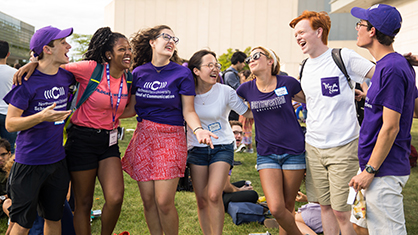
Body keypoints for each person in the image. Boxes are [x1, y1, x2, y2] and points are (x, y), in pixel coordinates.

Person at [15, 27, 133, 235]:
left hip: (109, 141)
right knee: (84, 202)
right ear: (108, 54)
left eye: (129, 49)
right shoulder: (90, 68)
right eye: (122, 49)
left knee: (115, 198)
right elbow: (54, 69)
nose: (128, 53)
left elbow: (125, 108)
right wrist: (34, 62)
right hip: (82, 140)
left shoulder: (128, 78)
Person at [121, 25, 216, 235]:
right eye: (166, 36)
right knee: (148, 200)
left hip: (171, 138)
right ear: (152, 42)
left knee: (164, 201)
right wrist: (104, 116)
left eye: (174, 38)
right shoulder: (138, 72)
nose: (171, 40)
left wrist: (198, 129)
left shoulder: (182, 73)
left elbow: (188, 111)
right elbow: (131, 108)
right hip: (144, 137)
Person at [289, 11, 375, 235]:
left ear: (318, 32)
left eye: (301, 32)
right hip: (314, 146)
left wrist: (369, 95)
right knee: (324, 207)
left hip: (344, 146)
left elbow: (381, 74)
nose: (297, 37)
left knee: (341, 212)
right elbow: (310, 98)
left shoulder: (343, 56)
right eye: (295, 34)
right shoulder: (305, 66)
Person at [349, 4, 417, 235]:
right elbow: (411, 107)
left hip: (381, 170)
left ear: (372, 31)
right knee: (360, 227)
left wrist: (370, 170)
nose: (357, 28)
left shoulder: (393, 68)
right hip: (373, 165)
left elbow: (390, 127)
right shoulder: (387, 66)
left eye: (361, 24)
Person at [3, 25, 74, 235]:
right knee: (22, 224)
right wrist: (41, 117)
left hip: (57, 161)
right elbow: (10, 123)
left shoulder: (66, 77)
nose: (68, 46)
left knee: (54, 218)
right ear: (48, 49)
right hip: (29, 163)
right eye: (63, 42)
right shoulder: (25, 82)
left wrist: (34, 61)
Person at [236, 46, 306, 235]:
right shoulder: (246, 89)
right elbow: (232, 104)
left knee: (288, 205)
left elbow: (311, 100)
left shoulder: (288, 83)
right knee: (276, 208)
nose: (251, 58)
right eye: (250, 56)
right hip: (267, 154)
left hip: (294, 151)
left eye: (257, 55)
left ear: (270, 61)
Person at [185, 49, 252, 234]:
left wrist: (267, 99)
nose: (215, 69)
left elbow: (246, 111)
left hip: (222, 145)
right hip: (196, 148)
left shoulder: (225, 91)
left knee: (214, 195)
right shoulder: (187, 93)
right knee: (201, 198)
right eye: (210, 65)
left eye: (217, 65)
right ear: (196, 71)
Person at [222, 121, 259, 211]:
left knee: (243, 183)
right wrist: (240, 190)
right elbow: (225, 187)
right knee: (253, 194)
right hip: (214, 196)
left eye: (240, 133)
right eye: (235, 133)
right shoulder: (226, 153)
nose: (238, 136)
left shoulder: (226, 148)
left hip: (216, 189)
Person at [0, 41, 17, 154]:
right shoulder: (15, 72)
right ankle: (9, 170)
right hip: (8, 114)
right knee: (10, 146)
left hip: (8, 115)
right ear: (8, 54)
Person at [224, 51, 247, 121]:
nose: (244, 65)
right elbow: (239, 89)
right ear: (238, 62)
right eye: (243, 62)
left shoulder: (233, 73)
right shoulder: (230, 74)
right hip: (231, 107)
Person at [237, 70, 255, 153]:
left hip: (246, 110)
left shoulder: (247, 86)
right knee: (247, 128)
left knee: (245, 128)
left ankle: (245, 144)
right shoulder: (252, 85)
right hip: (249, 110)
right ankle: (248, 147)